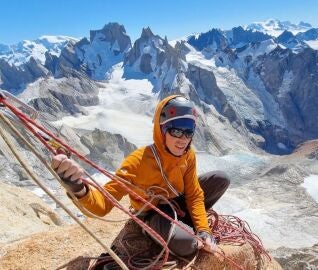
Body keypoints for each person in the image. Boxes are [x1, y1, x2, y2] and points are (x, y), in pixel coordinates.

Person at [51, 95, 230, 257]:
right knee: (189, 246)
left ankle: (183, 223)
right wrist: (78, 188)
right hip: (154, 212)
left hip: (178, 202)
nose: (183, 138)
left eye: (189, 131)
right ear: (162, 130)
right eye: (176, 130)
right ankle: (159, 230)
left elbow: (194, 194)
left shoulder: (187, 155)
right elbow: (104, 204)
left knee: (220, 179)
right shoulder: (138, 161)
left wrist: (203, 230)